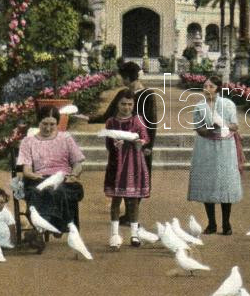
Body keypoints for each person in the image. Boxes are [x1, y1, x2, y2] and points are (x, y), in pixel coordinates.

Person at [90, 61, 157, 226]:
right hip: (123, 145)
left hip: (139, 144)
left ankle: (130, 215)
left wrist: (148, 146)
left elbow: (151, 123)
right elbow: (109, 115)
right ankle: (128, 215)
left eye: (122, 77)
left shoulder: (146, 94)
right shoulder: (126, 93)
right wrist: (89, 119)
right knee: (123, 176)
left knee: (138, 178)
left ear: (127, 77)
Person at [17, 105, 86, 251]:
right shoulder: (28, 142)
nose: (48, 128)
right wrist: (35, 175)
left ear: (57, 123)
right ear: (38, 122)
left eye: (52, 124)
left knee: (56, 190)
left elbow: (78, 163)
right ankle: (53, 226)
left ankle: (40, 232)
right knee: (42, 190)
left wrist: (73, 175)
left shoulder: (65, 138)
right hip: (39, 178)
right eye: (44, 124)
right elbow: (27, 170)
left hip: (63, 179)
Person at [187, 75, 244, 235]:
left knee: (225, 181)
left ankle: (226, 223)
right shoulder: (199, 106)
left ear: (218, 88)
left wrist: (223, 124)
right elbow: (198, 128)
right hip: (205, 146)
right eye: (205, 86)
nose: (207, 89)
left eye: (211, 86)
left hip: (225, 146)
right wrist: (210, 128)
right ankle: (211, 223)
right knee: (208, 181)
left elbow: (235, 126)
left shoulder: (228, 104)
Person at [103, 89, 150, 249]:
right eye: (123, 104)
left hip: (133, 163)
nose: (126, 107)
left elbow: (145, 138)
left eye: (130, 104)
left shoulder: (137, 120)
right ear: (117, 104)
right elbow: (108, 144)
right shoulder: (111, 122)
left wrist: (139, 142)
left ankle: (134, 234)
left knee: (133, 200)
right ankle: (115, 234)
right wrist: (114, 144)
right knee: (116, 199)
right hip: (116, 164)